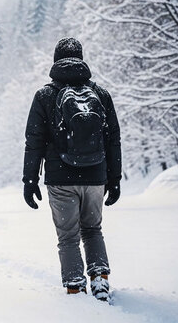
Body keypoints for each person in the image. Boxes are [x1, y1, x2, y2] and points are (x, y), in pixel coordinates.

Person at [22, 37, 121, 301]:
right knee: (93, 230)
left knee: (68, 236)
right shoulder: (100, 94)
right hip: (96, 175)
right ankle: (100, 279)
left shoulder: (44, 95)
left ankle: (75, 288)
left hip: (60, 177)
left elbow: (34, 141)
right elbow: (113, 139)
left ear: (56, 60)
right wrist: (115, 178)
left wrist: (29, 181)